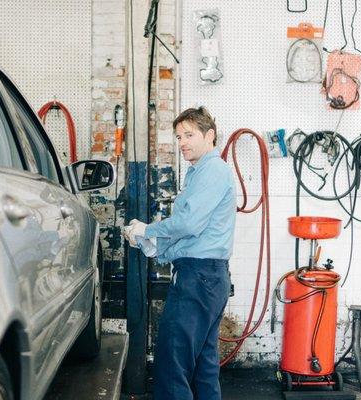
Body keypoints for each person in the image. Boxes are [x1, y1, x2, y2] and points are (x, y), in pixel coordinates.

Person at [124, 106, 236, 400]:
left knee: (172, 364)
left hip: (198, 279)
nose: (182, 142)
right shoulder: (200, 172)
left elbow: (188, 223)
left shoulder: (212, 170)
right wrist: (156, 246)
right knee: (203, 366)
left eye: (189, 135)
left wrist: (148, 231)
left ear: (209, 135)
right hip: (206, 276)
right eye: (178, 136)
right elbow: (193, 232)